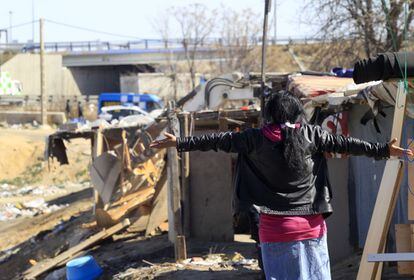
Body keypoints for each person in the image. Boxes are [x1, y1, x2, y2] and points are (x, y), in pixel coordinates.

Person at [150, 91, 413, 280]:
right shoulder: (313, 135)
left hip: (274, 231)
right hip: (312, 229)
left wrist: (180, 142)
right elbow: (350, 145)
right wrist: (385, 150)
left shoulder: (253, 139)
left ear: (270, 114)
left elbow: (216, 140)